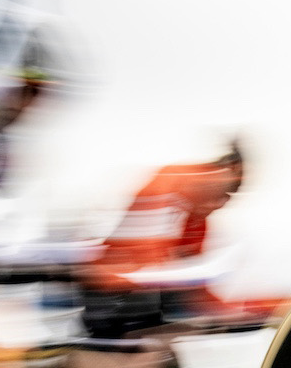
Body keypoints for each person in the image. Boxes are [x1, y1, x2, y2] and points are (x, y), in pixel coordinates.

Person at [82, 140, 246, 336]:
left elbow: (196, 289)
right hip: (112, 295)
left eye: (229, 197)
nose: (222, 203)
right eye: (225, 192)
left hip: (142, 300)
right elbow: (158, 266)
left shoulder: (197, 224)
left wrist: (233, 314)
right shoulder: (169, 182)